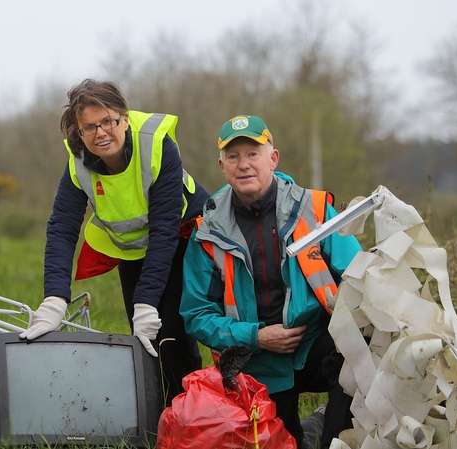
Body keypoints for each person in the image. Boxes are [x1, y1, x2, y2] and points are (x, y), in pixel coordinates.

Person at [19, 79, 210, 406]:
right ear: (78, 132)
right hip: (133, 248)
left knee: (172, 334)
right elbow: (62, 228)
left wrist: (147, 300)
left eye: (107, 121)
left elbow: (164, 229)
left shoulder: (157, 144)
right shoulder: (78, 162)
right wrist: (54, 300)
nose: (100, 133)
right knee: (141, 337)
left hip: (182, 235)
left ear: (123, 117)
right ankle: (158, 418)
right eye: (89, 127)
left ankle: (191, 415)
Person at [179, 115, 362, 449]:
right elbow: (196, 314)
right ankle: (313, 428)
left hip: (316, 345)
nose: (244, 164)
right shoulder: (205, 232)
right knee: (280, 443)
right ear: (222, 166)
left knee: (362, 358)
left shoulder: (316, 209)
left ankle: (335, 439)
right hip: (254, 361)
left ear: (273, 158)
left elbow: (360, 275)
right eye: (233, 157)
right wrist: (257, 337)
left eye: (253, 153)